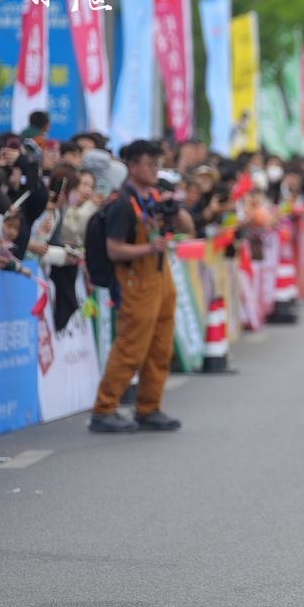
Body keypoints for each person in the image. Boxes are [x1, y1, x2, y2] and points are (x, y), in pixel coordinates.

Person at [90, 139, 194, 434]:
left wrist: (173, 208)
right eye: (149, 164)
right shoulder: (122, 203)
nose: (154, 170)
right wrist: (148, 248)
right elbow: (114, 250)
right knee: (130, 347)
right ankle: (104, 409)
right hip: (135, 281)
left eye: (157, 164)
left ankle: (149, 408)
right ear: (132, 166)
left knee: (161, 348)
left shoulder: (156, 197)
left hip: (161, 280)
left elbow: (188, 228)